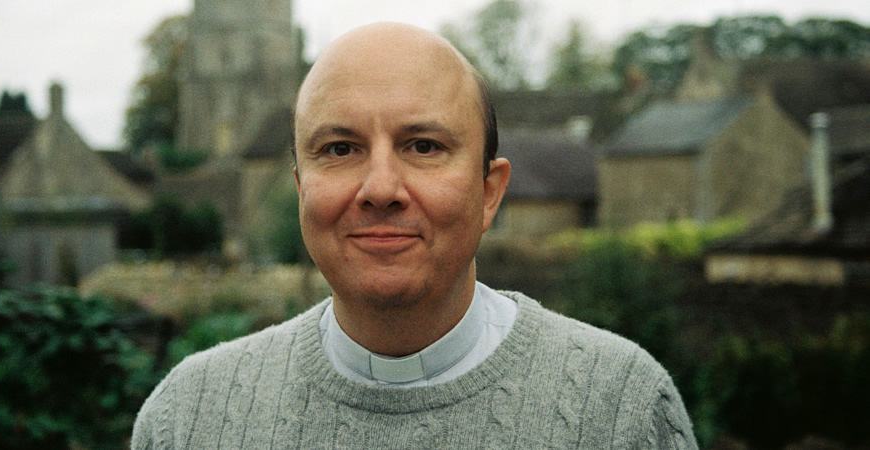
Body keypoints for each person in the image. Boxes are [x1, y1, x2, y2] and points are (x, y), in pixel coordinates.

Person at [132, 22, 697, 448]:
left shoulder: (622, 409)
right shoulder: (189, 418)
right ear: (302, 189)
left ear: (489, 192)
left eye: (424, 146)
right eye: (341, 149)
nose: (381, 187)